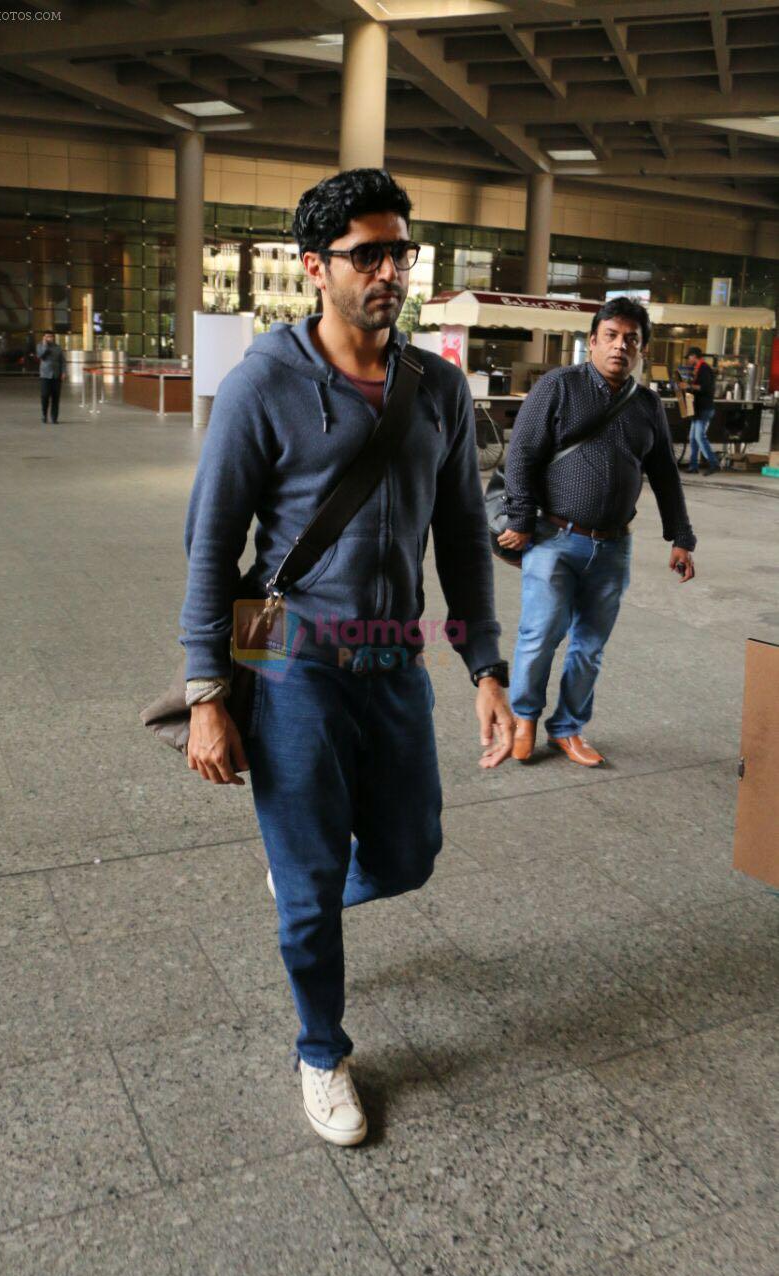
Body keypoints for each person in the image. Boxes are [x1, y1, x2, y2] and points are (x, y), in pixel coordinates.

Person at [180, 169, 513, 1147]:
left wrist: (484, 667)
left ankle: (302, 879)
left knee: (409, 852)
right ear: (313, 266)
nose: (388, 270)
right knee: (315, 869)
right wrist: (210, 693)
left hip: (392, 652)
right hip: (284, 644)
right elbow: (213, 547)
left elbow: (462, 536)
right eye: (366, 253)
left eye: (399, 251)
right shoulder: (262, 384)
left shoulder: (438, 388)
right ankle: (321, 1048)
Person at [498, 296, 696, 767]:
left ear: (642, 349)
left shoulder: (646, 404)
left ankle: (567, 728)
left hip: (613, 547)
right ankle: (525, 718)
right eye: (610, 336)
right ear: (592, 341)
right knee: (539, 635)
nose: (620, 346)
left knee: (589, 647)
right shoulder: (558, 387)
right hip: (553, 538)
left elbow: (665, 472)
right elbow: (522, 454)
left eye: (631, 339)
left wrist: (681, 537)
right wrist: (522, 521)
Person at [683, 347, 719, 475]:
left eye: (689, 357)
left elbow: (705, 387)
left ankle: (714, 463)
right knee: (693, 438)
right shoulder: (697, 369)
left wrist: (688, 386)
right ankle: (693, 466)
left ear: (694, 356)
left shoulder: (704, 368)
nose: (688, 360)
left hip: (704, 408)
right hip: (698, 408)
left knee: (699, 436)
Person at [36, 330, 65, 423]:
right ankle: (44, 415)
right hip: (45, 375)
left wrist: (63, 372)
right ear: (44, 337)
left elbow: (62, 361)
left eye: (51, 336)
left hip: (56, 375)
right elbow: (41, 356)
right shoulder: (40, 346)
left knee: (56, 397)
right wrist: (45, 345)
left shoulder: (58, 347)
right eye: (47, 336)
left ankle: (54, 418)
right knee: (45, 396)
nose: (49, 338)